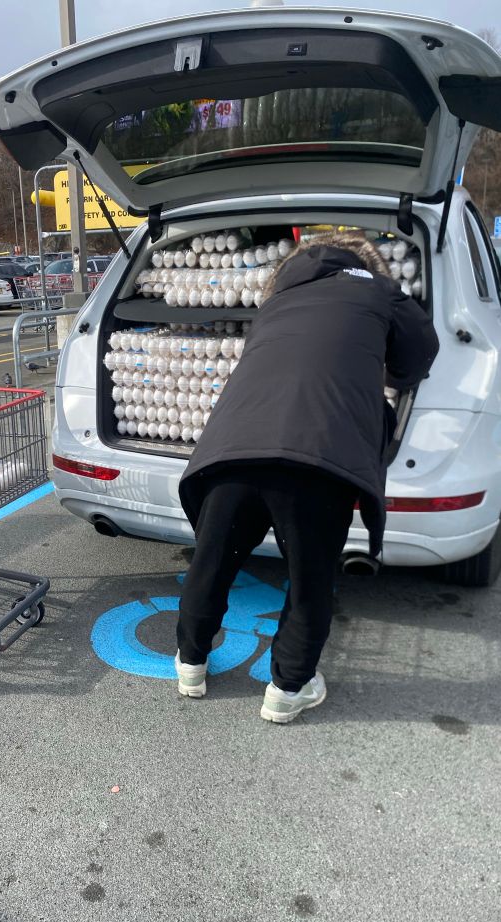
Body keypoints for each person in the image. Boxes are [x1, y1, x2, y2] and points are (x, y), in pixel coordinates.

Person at [174, 231, 439, 722]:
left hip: (235, 446)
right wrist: (384, 376)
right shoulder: (381, 292)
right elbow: (421, 353)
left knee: (213, 560)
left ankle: (191, 661)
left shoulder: (278, 301)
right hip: (317, 458)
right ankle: (288, 689)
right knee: (309, 577)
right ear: (368, 263)